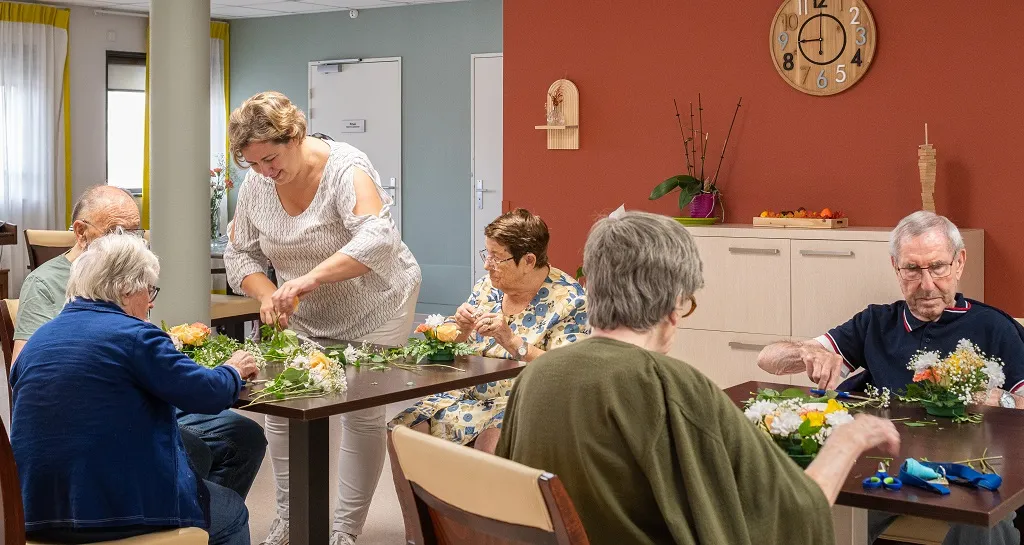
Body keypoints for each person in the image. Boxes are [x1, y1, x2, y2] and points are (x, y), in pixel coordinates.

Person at [494, 211, 901, 545]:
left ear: (592, 286)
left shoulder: (537, 376)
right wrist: (849, 440)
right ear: (674, 304)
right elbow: (796, 512)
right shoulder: (675, 387)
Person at [225, 91, 421, 545]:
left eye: (271, 159)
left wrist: (305, 281)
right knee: (283, 406)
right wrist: (269, 293)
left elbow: (377, 241)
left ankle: (344, 531)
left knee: (362, 412)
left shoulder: (345, 169)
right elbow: (241, 255)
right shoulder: (256, 186)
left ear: (296, 135)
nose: (265, 172)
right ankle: (291, 517)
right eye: (253, 165)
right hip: (305, 311)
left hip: (378, 305)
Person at [757, 210, 1022, 545]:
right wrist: (808, 351)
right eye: (912, 269)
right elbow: (768, 360)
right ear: (896, 268)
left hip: (970, 470)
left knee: (985, 523)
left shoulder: (994, 327)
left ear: (959, 263)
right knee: (811, 510)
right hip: (885, 469)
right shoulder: (875, 322)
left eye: (938, 267)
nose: (927, 284)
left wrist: (1005, 400)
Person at [12, 185, 267, 499]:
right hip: (105, 406)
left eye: (135, 232)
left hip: (147, 389)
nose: (130, 241)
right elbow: (24, 367)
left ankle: (192, 514)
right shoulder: (44, 282)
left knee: (243, 435)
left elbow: (136, 339)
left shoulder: (127, 275)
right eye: (118, 231)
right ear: (81, 232)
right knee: (191, 449)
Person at [391, 209, 587, 452]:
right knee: (401, 433)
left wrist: (511, 340)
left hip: (521, 401)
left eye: (496, 257)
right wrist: (459, 330)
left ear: (528, 261)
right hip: (466, 394)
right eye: (487, 253)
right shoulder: (488, 287)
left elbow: (569, 371)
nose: (486, 265)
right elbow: (458, 347)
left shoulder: (570, 301)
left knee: (492, 443)